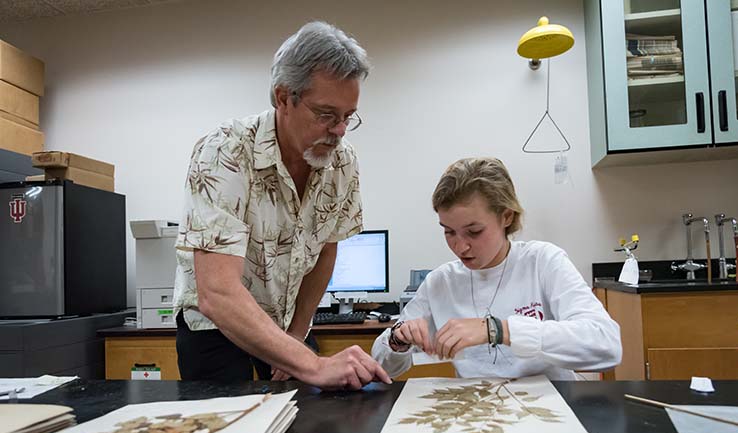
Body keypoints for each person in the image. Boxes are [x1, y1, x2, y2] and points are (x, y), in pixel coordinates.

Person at [173, 21, 390, 389]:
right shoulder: (225, 150)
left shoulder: (343, 162)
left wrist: (297, 333)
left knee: (310, 422)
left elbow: (326, 250)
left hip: (285, 322)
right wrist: (312, 364)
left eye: (347, 117)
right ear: (283, 98)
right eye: (326, 114)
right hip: (217, 327)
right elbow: (217, 293)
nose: (338, 130)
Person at [372, 157, 621, 380]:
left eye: (474, 231)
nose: (460, 246)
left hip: (550, 411)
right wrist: (397, 339)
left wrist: (499, 330)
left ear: (506, 217)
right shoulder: (441, 282)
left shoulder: (542, 261)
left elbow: (606, 345)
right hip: (478, 416)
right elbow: (383, 365)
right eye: (448, 232)